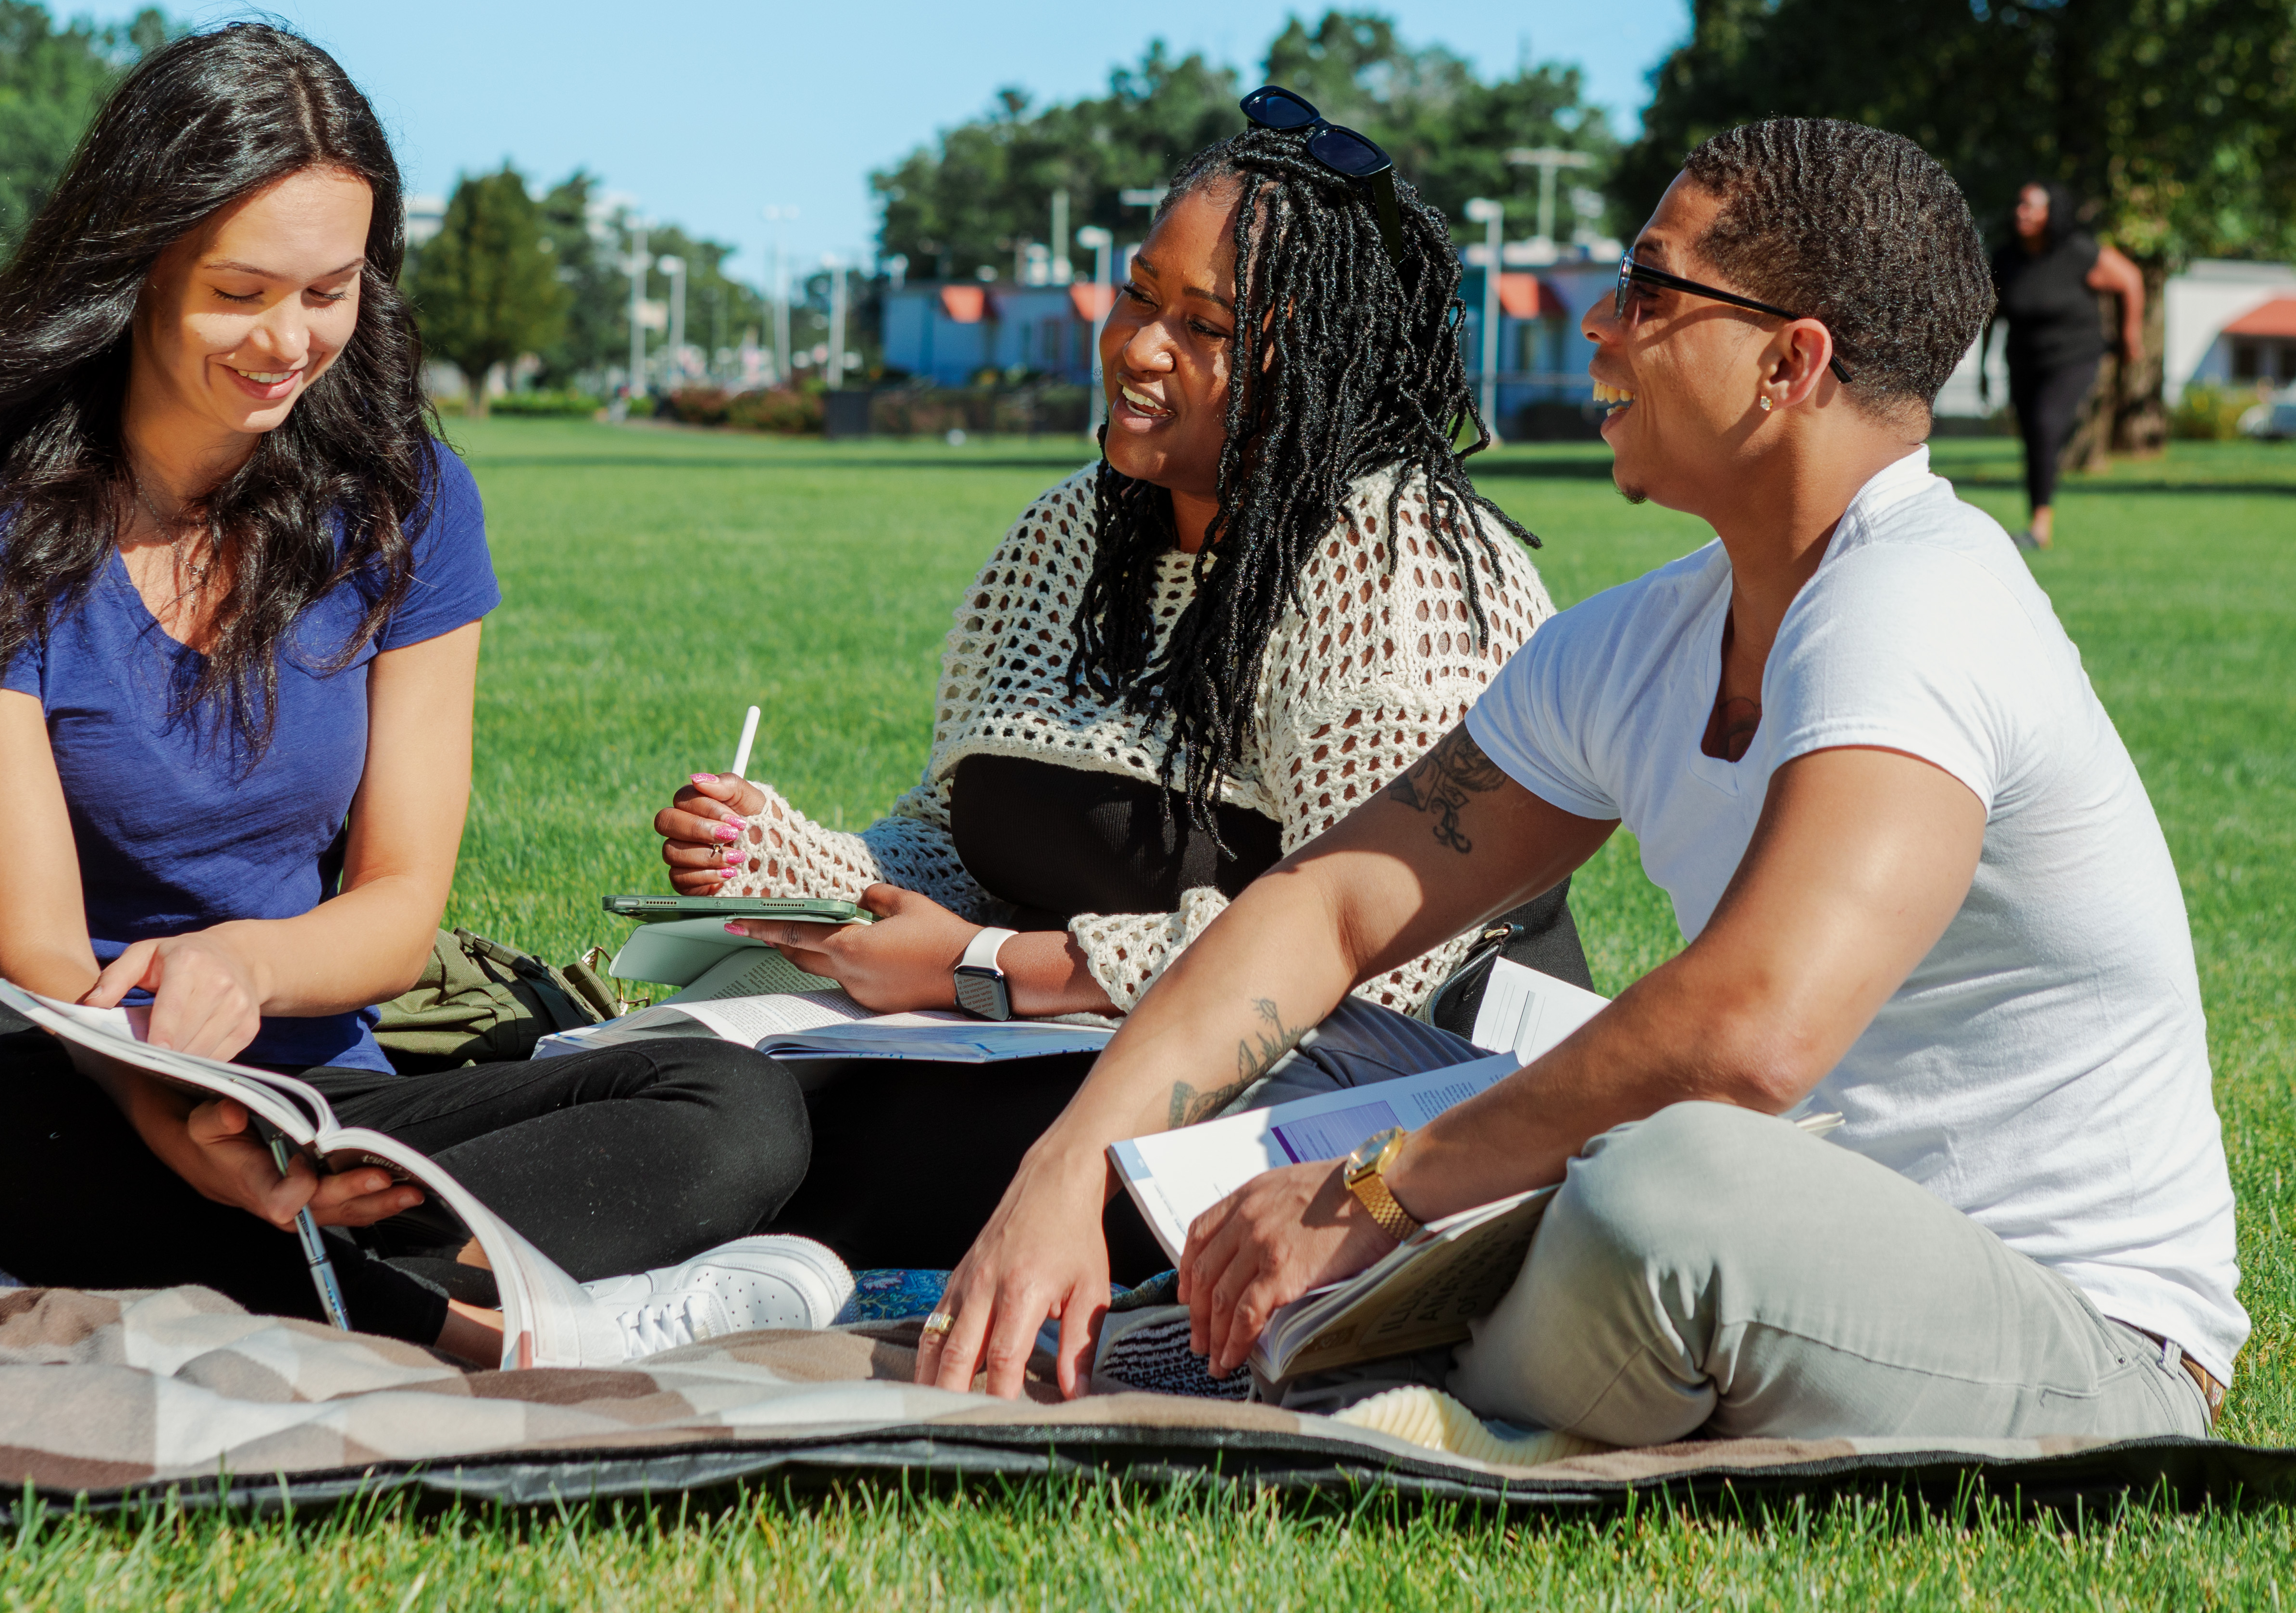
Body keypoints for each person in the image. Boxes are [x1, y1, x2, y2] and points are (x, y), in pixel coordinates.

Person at [922, 118, 2240, 1446]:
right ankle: (1251, 1331)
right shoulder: (1641, 641)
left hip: (2082, 1339)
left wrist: (1374, 1197)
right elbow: (1329, 910)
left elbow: (1751, 1032)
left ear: (1792, 362)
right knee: (1304, 1058)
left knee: (1662, 1192)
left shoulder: (1922, 603)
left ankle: (1317, 1363)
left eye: (1651, 291)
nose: (1602, 325)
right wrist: (1065, 1172)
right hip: (1763, 1245)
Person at [0, 23, 845, 1368]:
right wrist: (170, 1111)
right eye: (240, 292)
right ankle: (481, 1321)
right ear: (134, 271)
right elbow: (36, 952)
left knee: (735, 1108)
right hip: (77, 1076)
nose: (288, 341)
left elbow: (400, 910)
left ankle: (253, 1271)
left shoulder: (408, 506)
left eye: (329, 291)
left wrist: (242, 969)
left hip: (329, 1103)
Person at [649, 89, 1575, 1273]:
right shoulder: (1065, 541)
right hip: (1026, 1044)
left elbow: (1377, 954)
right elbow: (962, 840)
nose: (1139, 347)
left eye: (1207, 326)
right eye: (1138, 294)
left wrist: (985, 973)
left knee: (787, 1147)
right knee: (712, 1068)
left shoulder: (1395, 569)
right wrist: (805, 869)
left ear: (1321, 361)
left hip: (1322, 1105)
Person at [1987, 181, 2146, 551]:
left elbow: (2131, 280)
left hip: (2074, 356)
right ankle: (2037, 520)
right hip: (2024, 359)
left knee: (2045, 425)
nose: (2020, 212)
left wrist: (2130, 337)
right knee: (2032, 438)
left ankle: (2041, 527)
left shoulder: (2078, 253)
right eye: (2019, 205)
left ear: (2051, 213)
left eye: (2030, 206)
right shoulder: (2007, 259)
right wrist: (1983, 367)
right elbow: (1992, 316)